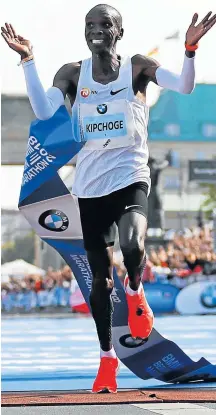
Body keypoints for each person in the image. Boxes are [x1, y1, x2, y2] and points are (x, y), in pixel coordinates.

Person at [2, 4, 215, 393]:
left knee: (133, 246)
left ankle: (136, 292)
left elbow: (183, 86)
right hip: (90, 188)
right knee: (99, 283)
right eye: (89, 25)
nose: (95, 30)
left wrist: (189, 51)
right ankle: (107, 360)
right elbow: (44, 110)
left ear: (119, 31)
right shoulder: (71, 73)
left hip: (130, 178)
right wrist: (29, 60)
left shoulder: (137, 67)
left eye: (104, 25)